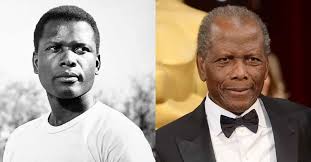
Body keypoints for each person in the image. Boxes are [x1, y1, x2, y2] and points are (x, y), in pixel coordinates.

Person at [156, 5, 311, 162]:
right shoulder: (163, 144)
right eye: (225, 60)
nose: (240, 73)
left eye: (252, 59)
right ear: (202, 66)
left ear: (266, 67)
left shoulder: (305, 125)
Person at [3, 5, 155, 162]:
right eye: (54, 48)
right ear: (36, 63)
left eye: (81, 49)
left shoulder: (119, 135)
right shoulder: (19, 140)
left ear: (97, 64)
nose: (69, 59)